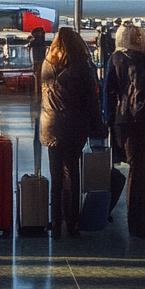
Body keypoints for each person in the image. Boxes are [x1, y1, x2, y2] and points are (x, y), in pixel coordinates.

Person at [39, 27, 99, 238]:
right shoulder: (82, 67)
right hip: (74, 124)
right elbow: (91, 99)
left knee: (55, 175)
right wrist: (97, 124)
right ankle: (72, 222)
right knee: (72, 174)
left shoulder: (46, 64)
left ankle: (55, 221)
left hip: (50, 124)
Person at [105, 22, 145, 239]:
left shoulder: (116, 59)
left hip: (123, 120)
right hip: (142, 121)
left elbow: (109, 92)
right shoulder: (140, 61)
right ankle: (138, 222)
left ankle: (122, 215)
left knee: (133, 170)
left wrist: (109, 120)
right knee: (141, 173)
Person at [25, 26, 49, 98]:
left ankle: (38, 91)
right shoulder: (43, 43)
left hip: (37, 60)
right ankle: (40, 91)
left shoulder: (33, 43)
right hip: (43, 60)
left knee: (38, 76)